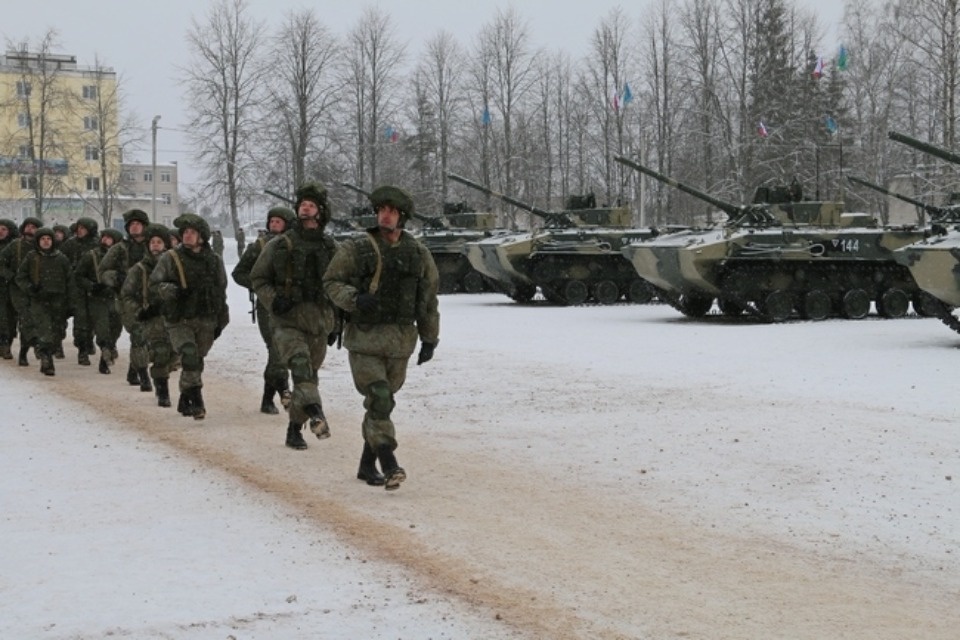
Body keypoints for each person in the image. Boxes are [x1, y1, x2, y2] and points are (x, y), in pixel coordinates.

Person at [323, 185, 440, 490]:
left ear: (403, 217)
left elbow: (428, 299)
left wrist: (430, 337)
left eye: (392, 211)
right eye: (381, 210)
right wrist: (354, 299)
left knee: (382, 405)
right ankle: (389, 463)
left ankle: (366, 466)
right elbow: (331, 282)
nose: (385, 216)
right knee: (379, 396)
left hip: (400, 341)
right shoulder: (356, 248)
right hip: (365, 339)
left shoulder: (418, 253)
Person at [250, 183, 339, 450]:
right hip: (287, 321)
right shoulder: (280, 244)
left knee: (308, 377)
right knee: (300, 367)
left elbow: (340, 285)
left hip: (318, 322)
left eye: (311, 205)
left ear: (321, 211)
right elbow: (258, 278)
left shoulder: (331, 247)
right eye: (302, 204)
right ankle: (316, 413)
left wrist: (336, 322)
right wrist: (274, 299)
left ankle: (293, 430)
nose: (305, 208)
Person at [150, 214, 229, 420]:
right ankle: (196, 399)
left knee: (196, 360)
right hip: (179, 318)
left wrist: (222, 319)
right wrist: (170, 290)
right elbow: (154, 285)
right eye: (185, 232)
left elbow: (220, 290)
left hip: (205, 318)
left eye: (192, 232)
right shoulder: (170, 258)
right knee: (189, 354)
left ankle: (184, 398)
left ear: (202, 237)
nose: (187, 235)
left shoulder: (214, 260)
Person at [231, 206, 296, 414]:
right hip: (266, 307)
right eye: (272, 221)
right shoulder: (259, 246)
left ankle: (267, 399)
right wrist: (261, 286)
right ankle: (284, 389)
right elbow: (239, 273)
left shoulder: (295, 245)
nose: (274, 225)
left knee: (279, 352)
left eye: (279, 221)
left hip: (291, 306)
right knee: (276, 349)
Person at [121, 224, 176, 407]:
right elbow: (127, 294)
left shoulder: (175, 266)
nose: (155, 245)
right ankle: (162, 391)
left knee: (174, 355)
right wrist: (139, 311)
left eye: (159, 242)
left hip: (173, 318)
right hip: (150, 318)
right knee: (160, 353)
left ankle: (148, 371)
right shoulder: (139, 269)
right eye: (152, 242)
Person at [98, 209, 150, 386]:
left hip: (149, 298)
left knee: (145, 336)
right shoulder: (119, 249)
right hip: (125, 298)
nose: (134, 227)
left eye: (138, 224)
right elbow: (103, 271)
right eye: (131, 224)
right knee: (136, 333)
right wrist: (118, 278)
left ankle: (133, 371)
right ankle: (142, 374)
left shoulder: (153, 246)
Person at [15, 227, 72, 376]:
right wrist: (30, 288)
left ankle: (48, 353)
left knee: (57, 332)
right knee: (44, 330)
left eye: (48, 239)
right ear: (37, 241)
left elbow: (70, 280)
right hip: (38, 300)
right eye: (42, 239)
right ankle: (47, 360)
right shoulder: (32, 257)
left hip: (58, 301)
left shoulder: (61, 258)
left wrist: (71, 302)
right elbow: (21, 277)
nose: (46, 242)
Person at [74, 229, 124, 374]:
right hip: (97, 298)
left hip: (116, 297)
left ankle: (108, 351)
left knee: (116, 326)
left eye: (109, 238)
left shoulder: (122, 258)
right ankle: (104, 350)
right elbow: (78, 276)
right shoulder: (92, 256)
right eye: (104, 237)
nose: (105, 240)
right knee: (102, 327)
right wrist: (92, 286)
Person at [0, 217, 42, 366]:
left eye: (33, 227)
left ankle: (27, 347)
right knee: (7, 319)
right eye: (28, 226)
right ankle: (7, 344)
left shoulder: (41, 247)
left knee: (28, 318)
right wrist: (11, 276)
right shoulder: (15, 246)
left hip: (32, 288)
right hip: (12, 288)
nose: (30, 229)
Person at [61, 217, 100, 365]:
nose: (80, 231)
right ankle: (82, 349)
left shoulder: (97, 244)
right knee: (81, 320)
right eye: (78, 228)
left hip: (93, 287)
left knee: (93, 320)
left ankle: (89, 340)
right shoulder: (70, 244)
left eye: (83, 228)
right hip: (76, 287)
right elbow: (62, 262)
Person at [0, 219, 19, 359]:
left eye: (4, 229)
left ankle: (6, 343)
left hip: (11, 287)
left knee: (10, 318)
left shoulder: (16, 246)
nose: (0, 232)